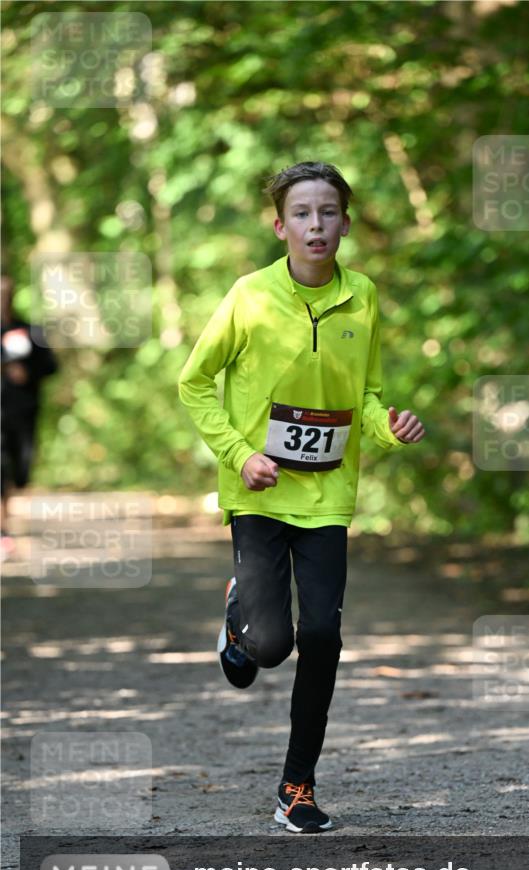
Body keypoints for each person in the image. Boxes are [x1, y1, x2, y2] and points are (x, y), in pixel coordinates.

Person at [178, 161, 424, 833]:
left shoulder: (364, 296)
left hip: (328, 496)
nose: (317, 225)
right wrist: (240, 454)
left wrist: (389, 426)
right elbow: (194, 383)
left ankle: (297, 787)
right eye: (303, 214)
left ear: (344, 222)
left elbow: (365, 396)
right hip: (257, 491)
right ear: (280, 225)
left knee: (322, 636)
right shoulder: (248, 296)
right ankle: (239, 620)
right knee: (269, 646)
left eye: (329, 212)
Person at [1, 274, 58, 558]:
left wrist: (27, 373)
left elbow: (51, 366)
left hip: (23, 412)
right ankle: (3, 530)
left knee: (19, 472)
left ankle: (8, 518)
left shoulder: (29, 331)